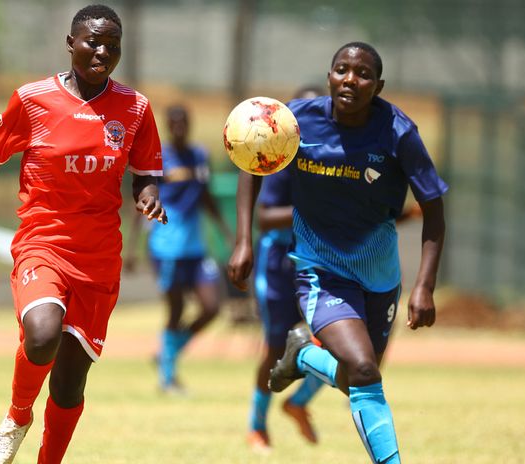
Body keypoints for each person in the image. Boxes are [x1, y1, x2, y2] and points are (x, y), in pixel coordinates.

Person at [0, 5, 167, 464]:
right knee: (41, 336)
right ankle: (16, 418)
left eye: (112, 45)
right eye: (92, 41)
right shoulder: (33, 99)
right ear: (70, 42)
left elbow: (145, 173)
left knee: (69, 382)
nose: (102, 51)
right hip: (43, 242)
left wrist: (149, 196)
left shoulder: (135, 108)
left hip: (99, 257)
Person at [228, 42, 447, 464]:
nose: (351, 79)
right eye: (342, 69)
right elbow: (250, 163)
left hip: (379, 273)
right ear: (330, 76)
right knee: (364, 370)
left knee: (358, 378)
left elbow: (434, 210)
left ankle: (302, 354)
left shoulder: (398, 132)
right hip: (319, 270)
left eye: (363, 73)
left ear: (378, 85)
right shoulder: (295, 121)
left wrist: (425, 286)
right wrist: (243, 240)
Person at [125, 104, 233, 394]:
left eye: (184, 122)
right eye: (174, 123)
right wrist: (133, 247)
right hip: (165, 246)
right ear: (167, 126)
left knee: (212, 306)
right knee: (177, 308)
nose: (179, 128)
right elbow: (143, 200)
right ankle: (167, 377)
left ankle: (167, 354)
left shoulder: (200, 156)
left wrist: (226, 232)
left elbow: (205, 195)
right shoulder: (160, 157)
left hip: (195, 247)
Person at [247, 86, 326, 453]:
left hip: (321, 261)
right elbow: (265, 217)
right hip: (279, 263)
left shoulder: (333, 158)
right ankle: (257, 426)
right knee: (276, 346)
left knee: (337, 337)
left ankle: (298, 401)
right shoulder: (282, 160)